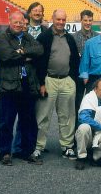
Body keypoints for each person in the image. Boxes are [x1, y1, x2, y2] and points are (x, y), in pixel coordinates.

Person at [0, 11, 44, 165]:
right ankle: (5, 153)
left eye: (21, 22)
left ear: (24, 23)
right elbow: (6, 55)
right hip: (9, 85)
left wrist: (22, 52)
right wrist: (26, 56)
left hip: (27, 85)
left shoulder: (28, 37)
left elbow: (39, 50)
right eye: (15, 22)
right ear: (9, 21)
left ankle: (27, 151)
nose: (18, 25)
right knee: (6, 122)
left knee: (28, 121)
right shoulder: (3, 38)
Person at [32, 9, 80, 163]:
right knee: (43, 116)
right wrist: (41, 82)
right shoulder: (44, 37)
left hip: (66, 81)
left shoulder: (70, 38)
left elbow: (74, 61)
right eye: (58, 19)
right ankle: (38, 147)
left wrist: (72, 80)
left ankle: (67, 146)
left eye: (63, 20)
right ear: (52, 19)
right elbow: (38, 61)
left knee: (67, 116)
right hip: (49, 80)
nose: (60, 22)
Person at [73, 10, 99, 120]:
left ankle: (90, 128)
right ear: (81, 20)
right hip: (78, 75)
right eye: (85, 20)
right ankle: (76, 132)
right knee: (77, 103)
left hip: (93, 75)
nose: (88, 23)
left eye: (90, 20)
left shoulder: (97, 37)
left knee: (92, 104)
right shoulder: (74, 38)